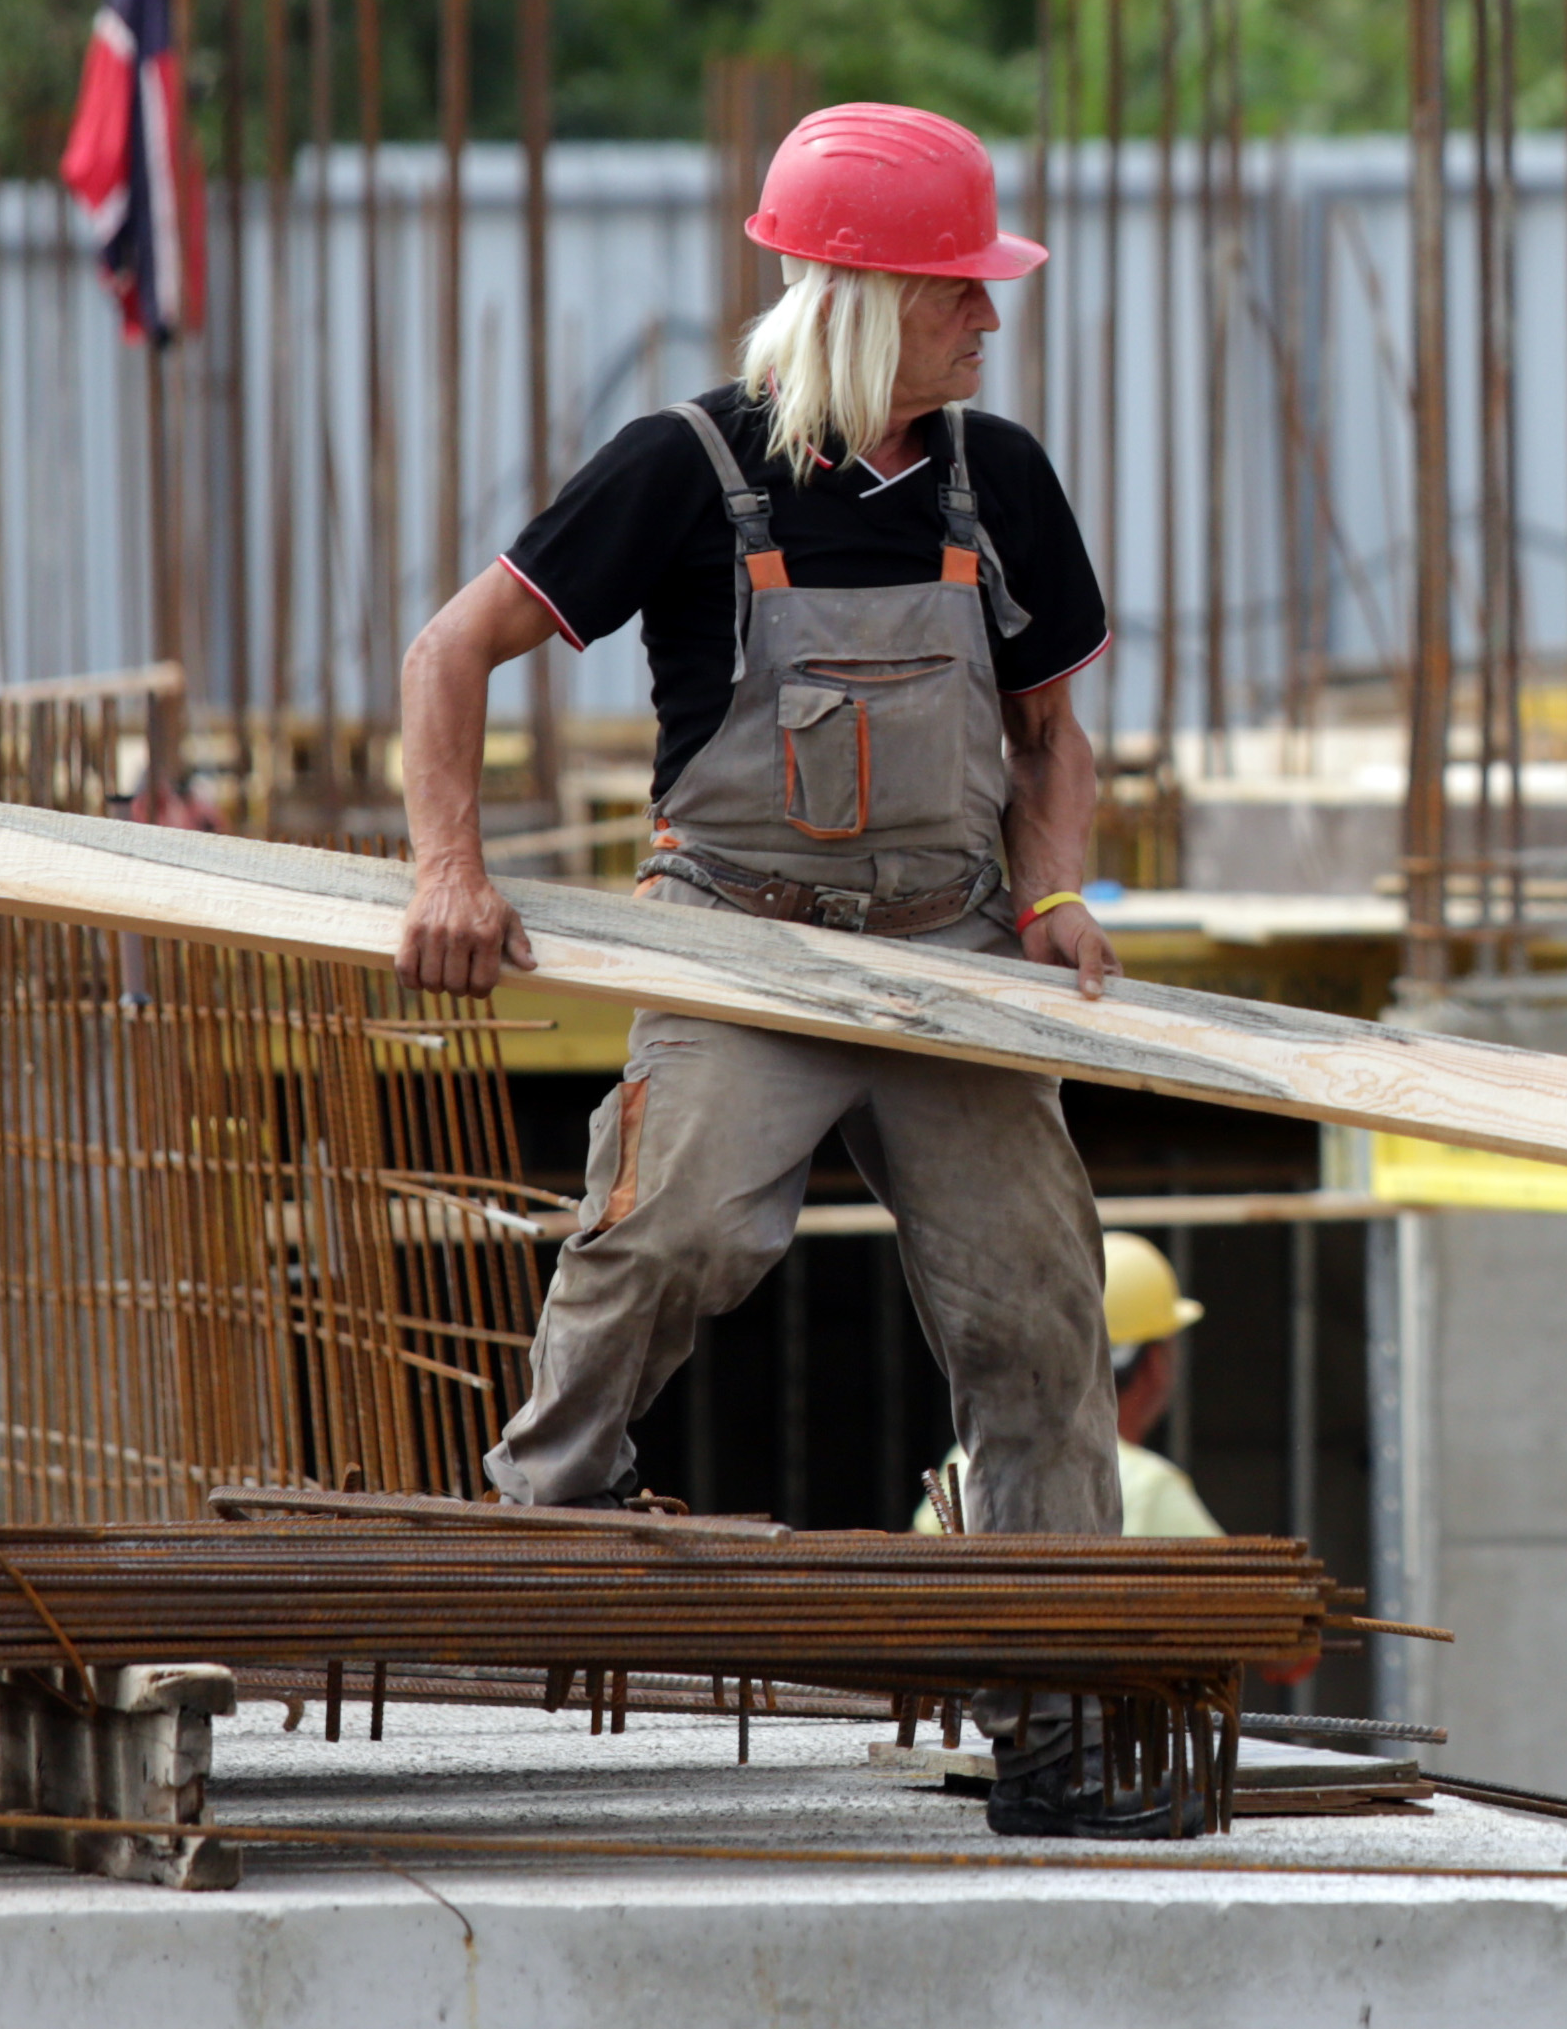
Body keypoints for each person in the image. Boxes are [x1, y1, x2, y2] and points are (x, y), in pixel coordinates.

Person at [392, 103, 1192, 1837]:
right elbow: (452, 651)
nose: (989, 320)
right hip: (743, 942)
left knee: (1038, 1324)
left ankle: (1053, 1723)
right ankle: (552, 1514)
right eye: (959, 293)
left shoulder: (1003, 481)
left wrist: (1051, 897)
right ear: (860, 299)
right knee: (670, 1233)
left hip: (945, 961)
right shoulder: (686, 466)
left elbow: (1054, 740)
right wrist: (446, 871)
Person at [914, 1232, 1218, 1538]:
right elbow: (1235, 1584)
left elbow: (914, 1573)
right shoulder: (1152, 1492)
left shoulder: (971, 1457)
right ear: (1155, 1362)